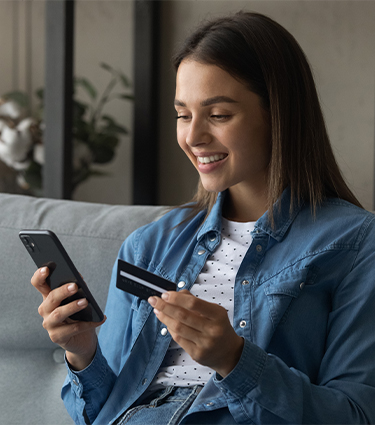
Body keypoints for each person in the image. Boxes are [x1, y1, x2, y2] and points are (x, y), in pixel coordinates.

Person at [31, 11, 375, 425]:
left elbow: (354, 415)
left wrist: (235, 360)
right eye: (182, 114)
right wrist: (83, 351)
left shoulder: (354, 243)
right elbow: (101, 411)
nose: (193, 137)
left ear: (278, 115)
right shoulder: (148, 245)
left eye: (218, 115)